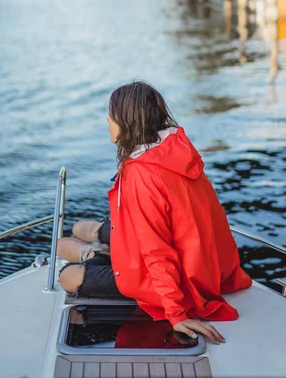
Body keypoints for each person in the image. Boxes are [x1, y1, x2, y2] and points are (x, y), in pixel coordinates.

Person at [57, 81, 252, 345]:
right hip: (201, 262)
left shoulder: (142, 174)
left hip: (183, 277)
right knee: (79, 229)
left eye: (112, 114)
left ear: (127, 121)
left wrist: (176, 312)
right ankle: (100, 253)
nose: (107, 119)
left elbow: (157, 250)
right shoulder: (175, 149)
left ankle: (97, 254)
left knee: (67, 276)